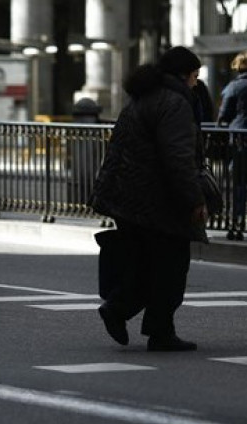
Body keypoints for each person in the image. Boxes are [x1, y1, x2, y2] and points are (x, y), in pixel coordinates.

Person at [89, 46, 208, 352]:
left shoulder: (141, 98)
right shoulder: (175, 103)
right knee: (170, 268)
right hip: (158, 200)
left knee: (143, 265)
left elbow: (117, 148)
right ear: (184, 75)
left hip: (127, 198)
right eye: (195, 76)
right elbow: (178, 158)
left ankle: (120, 311)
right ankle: (157, 331)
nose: (196, 83)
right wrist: (194, 199)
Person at [217, 50, 247, 239]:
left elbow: (224, 115)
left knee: (239, 185)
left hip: (240, 141)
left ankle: (237, 224)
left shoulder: (234, 87)